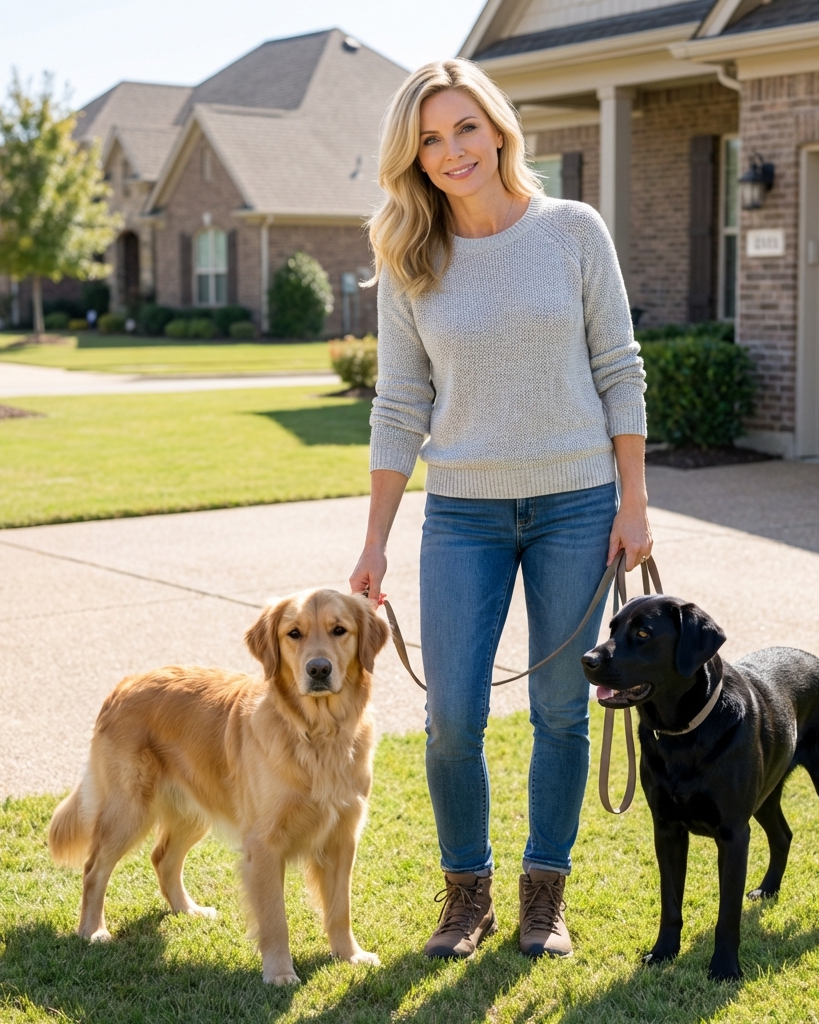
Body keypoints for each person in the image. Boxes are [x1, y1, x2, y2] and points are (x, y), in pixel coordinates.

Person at [350, 59, 651, 960]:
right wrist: (374, 540)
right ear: (414, 156)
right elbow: (400, 403)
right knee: (452, 719)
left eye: (464, 129)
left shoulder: (572, 230)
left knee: (563, 708)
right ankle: (467, 894)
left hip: (577, 505)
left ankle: (544, 896)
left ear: (499, 129)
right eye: (430, 139)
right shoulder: (409, 253)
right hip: (464, 516)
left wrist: (634, 501)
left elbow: (619, 366)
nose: (451, 152)